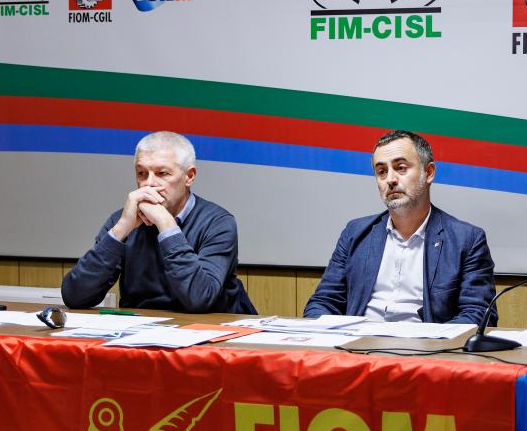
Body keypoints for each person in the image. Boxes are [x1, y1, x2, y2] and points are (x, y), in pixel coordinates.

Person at [304, 130, 497, 325]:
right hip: (359, 349)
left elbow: (478, 315)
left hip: (423, 350)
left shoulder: (466, 240)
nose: (390, 179)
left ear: (428, 173)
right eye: (381, 171)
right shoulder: (356, 233)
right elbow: (322, 303)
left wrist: (427, 344)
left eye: (401, 168)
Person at [62, 131, 256, 314]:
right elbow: (75, 297)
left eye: (162, 173)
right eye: (142, 173)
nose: (149, 184)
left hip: (207, 334)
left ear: (189, 176)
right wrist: (121, 229)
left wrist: (166, 225)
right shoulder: (123, 220)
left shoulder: (218, 222)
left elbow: (199, 299)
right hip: (141, 334)